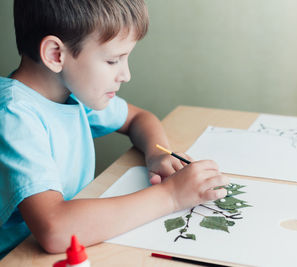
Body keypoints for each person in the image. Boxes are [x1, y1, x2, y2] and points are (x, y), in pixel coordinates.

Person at [0, 0, 229, 258]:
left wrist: (157, 154)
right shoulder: (14, 116)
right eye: (113, 60)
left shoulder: (69, 92)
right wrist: (171, 196)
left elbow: (139, 118)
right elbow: (55, 229)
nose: (125, 74)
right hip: (18, 257)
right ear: (56, 55)